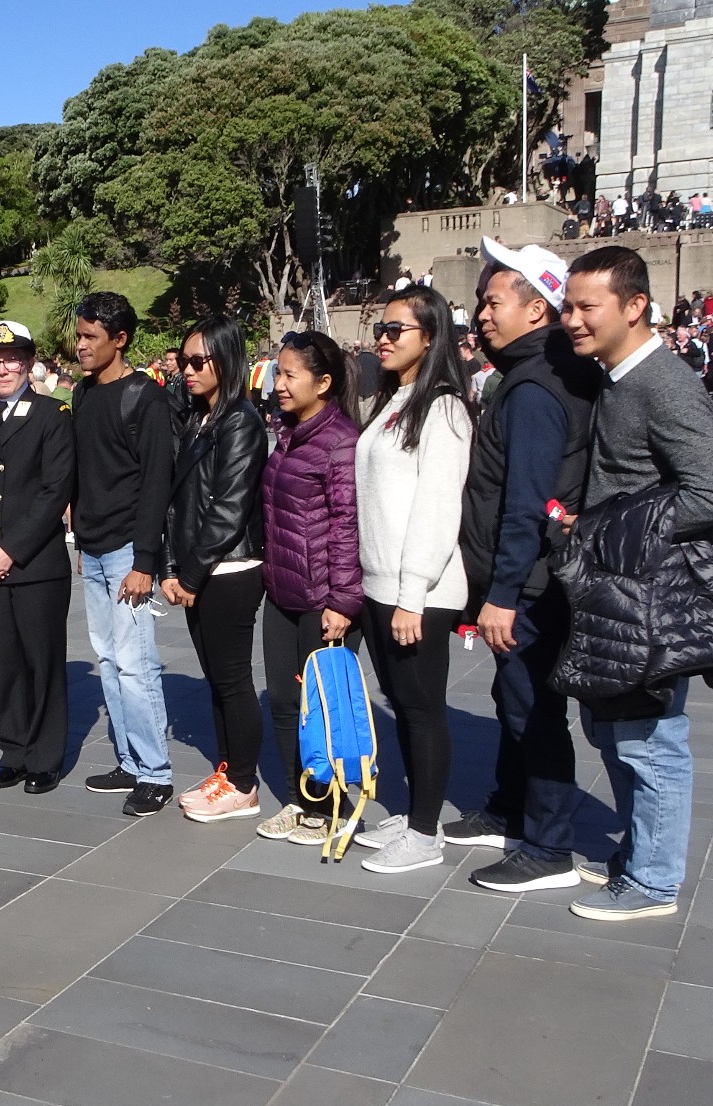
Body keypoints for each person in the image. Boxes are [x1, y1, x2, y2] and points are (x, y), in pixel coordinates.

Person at [557, 246, 713, 920]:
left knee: (651, 740)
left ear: (634, 307)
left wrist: (616, 526)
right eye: (567, 305)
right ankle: (636, 858)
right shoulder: (614, 376)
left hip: (650, 593)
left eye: (586, 307)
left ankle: (654, 881)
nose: (572, 319)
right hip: (615, 589)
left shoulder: (662, 382)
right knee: (616, 734)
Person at [451, 239, 602, 893]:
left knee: (533, 709)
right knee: (510, 696)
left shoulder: (537, 387)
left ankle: (547, 845)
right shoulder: (532, 373)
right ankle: (511, 806)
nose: (482, 314)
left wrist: (504, 592)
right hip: (521, 579)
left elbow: (527, 502)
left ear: (538, 310)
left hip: (532, 586)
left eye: (493, 301)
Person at [352, 285, 476, 874]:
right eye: (381, 326)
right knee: (402, 702)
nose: (383, 336)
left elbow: (437, 508)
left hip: (419, 592)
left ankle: (426, 833)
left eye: (396, 329)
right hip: (381, 583)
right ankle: (414, 813)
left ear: (430, 337)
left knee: (423, 707)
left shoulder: (444, 407)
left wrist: (412, 596)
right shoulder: (392, 401)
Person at [249, 330, 365, 844]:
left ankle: (331, 806)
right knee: (281, 700)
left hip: (323, 598)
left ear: (324, 382)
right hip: (282, 590)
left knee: (322, 705)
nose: (279, 383)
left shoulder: (341, 440)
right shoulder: (288, 432)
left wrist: (342, 601)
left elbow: (347, 523)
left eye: (290, 374)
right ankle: (301, 800)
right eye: (278, 372)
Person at [0, 320, 75, 793]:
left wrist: (10, 550)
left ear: (28, 363)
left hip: (33, 562)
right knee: (3, 661)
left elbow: (53, 490)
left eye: (12, 359)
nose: (2, 368)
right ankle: (13, 748)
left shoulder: (50, 415)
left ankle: (44, 755)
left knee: (41, 661)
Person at [71, 292, 179, 817]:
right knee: (109, 661)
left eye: (91, 337)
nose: (81, 346)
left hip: (126, 554)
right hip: (92, 548)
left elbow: (157, 483)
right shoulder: (83, 393)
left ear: (121, 339)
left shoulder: (145, 398)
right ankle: (131, 761)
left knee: (136, 665)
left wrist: (144, 563)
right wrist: (79, 540)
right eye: (79, 335)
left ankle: (156, 772)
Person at [159, 316, 268, 823]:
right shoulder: (199, 416)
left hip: (229, 569)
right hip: (201, 568)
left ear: (226, 360)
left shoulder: (240, 420)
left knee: (232, 679)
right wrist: (171, 566)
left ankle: (244, 784)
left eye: (198, 361)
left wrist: (190, 574)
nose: (188, 370)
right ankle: (229, 772)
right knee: (216, 679)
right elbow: (179, 502)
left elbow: (228, 508)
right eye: (183, 362)